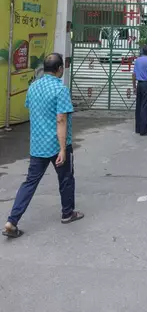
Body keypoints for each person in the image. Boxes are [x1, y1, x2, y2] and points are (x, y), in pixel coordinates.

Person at [3, 54, 83, 238]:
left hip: (38, 145)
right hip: (57, 145)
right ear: (60, 69)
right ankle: (67, 213)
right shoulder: (60, 89)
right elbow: (61, 119)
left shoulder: (33, 87)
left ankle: (12, 220)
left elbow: (33, 110)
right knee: (66, 179)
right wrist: (63, 149)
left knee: (30, 182)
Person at [132, 45, 147, 136]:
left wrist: (134, 87)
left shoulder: (138, 60)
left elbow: (134, 74)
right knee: (145, 107)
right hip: (146, 85)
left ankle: (138, 128)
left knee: (139, 106)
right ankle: (143, 130)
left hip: (139, 85)